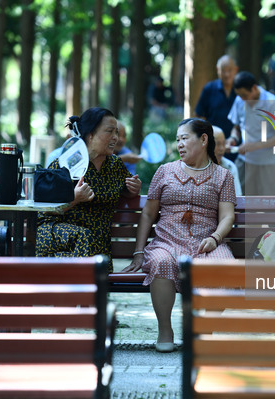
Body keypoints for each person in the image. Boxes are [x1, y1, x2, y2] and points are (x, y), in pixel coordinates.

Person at [121, 118, 237, 353]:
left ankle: (204, 329)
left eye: (184, 138)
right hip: (167, 242)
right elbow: (148, 214)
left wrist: (215, 238)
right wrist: (138, 252)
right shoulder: (164, 171)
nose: (179, 145)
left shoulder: (224, 176)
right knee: (161, 262)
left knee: (226, 269)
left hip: (207, 244)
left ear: (203, 140)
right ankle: (165, 329)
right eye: (177, 140)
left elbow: (227, 217)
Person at [36, 107, 142, 272]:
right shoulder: (66, 162)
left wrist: (132, 189)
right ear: (90, 135)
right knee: (84, 239)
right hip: (56, 236)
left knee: (90, 252)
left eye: (117, 132)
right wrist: (74, 199)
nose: (116, 138)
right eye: (109, 132)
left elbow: (126, 189)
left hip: (96, 245)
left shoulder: (115, 165)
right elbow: (43, 212)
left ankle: (78, 292)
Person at [227, 71, 275, 195]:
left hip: (269, 163)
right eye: (240, 95)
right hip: (245, 162)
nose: (243, 99)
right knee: (239, 200)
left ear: (254, 88)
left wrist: (254, 146)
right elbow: (237, 127)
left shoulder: (271, 102)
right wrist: (233, 138)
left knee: (270, 204)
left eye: (245, 95)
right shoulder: (239, 101)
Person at [194, 55, 239, 141]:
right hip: (213, 142)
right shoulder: (209, 89)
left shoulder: (241, 91)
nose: (226, 74)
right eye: (223, 70)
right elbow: (199, 115)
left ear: (236, 70)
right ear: (217, 69)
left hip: (236, 143)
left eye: (229, 70)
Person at [213, 125, 242, 196]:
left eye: (224, 144)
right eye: (217, 144)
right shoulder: (194, 167)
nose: (222, 149)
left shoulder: (230, 167)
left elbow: (237, 198)